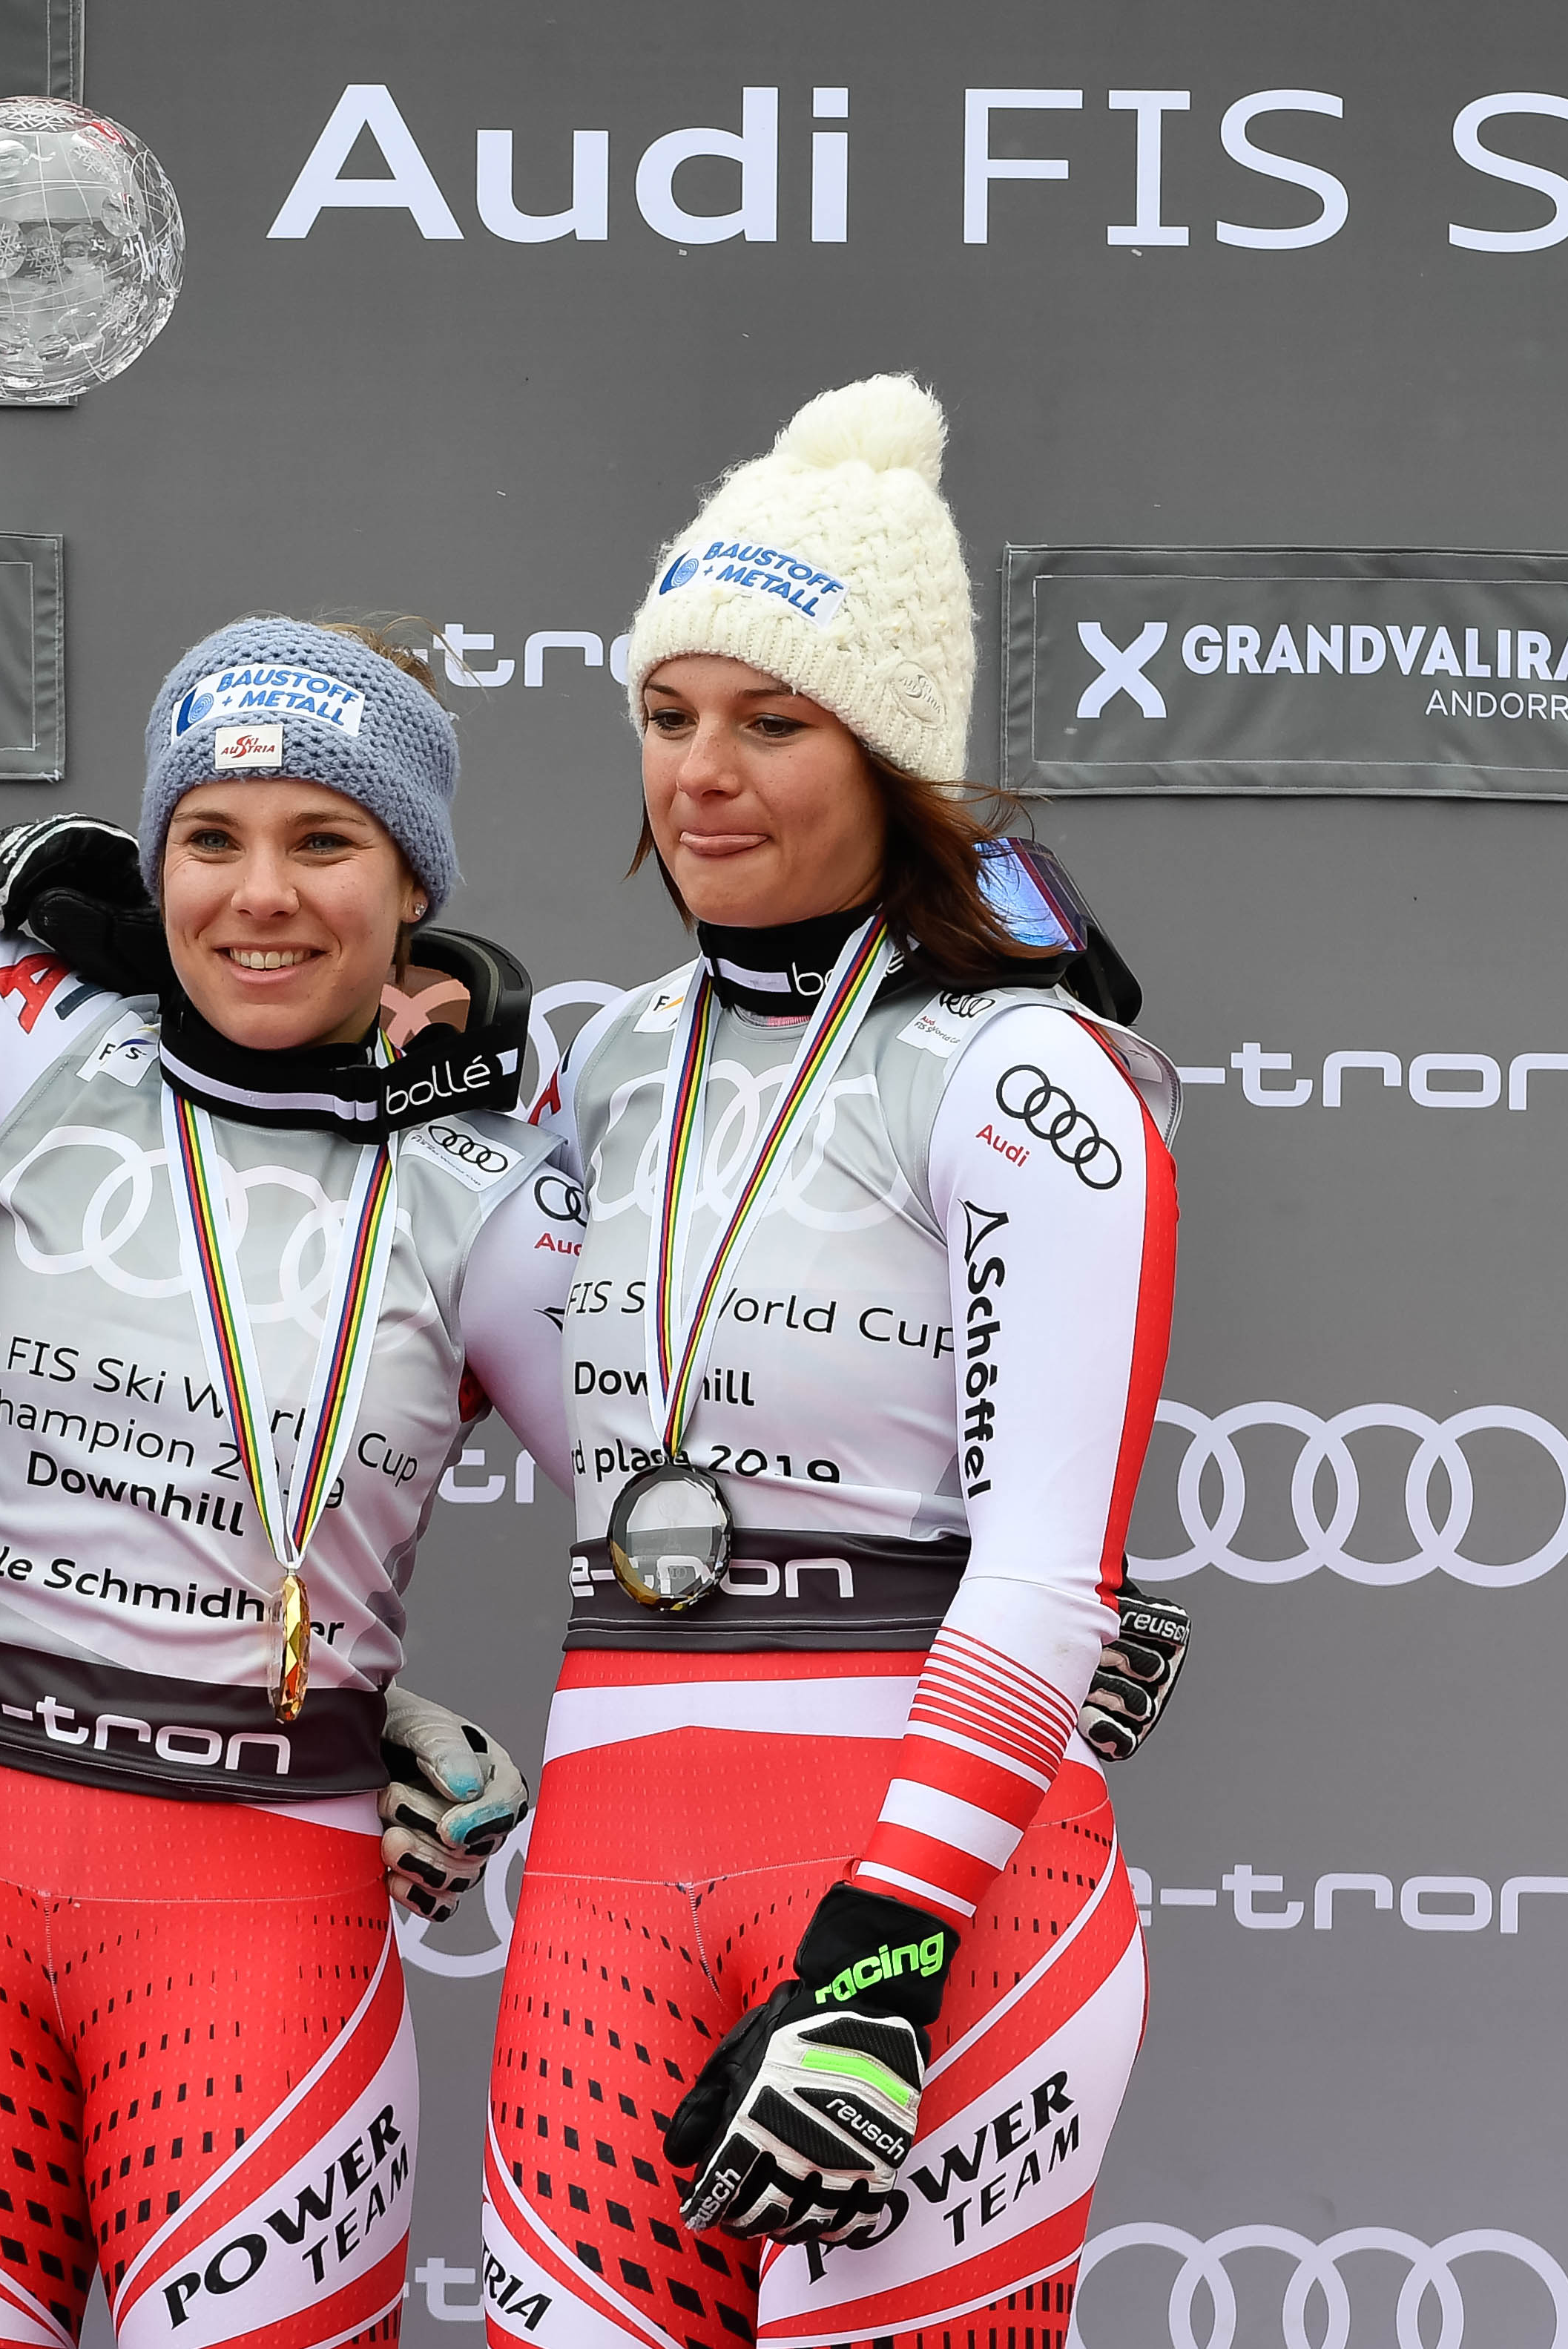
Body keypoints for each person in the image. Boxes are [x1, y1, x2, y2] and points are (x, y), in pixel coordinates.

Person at [0, 266, 576, 2349]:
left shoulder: (491, 1170)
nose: (258, 894)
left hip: (264, 1913)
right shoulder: (42, 1041)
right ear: (156, 855)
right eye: (210, 838)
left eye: (324, 843)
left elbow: (697, 1494)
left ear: (416, 889)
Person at [470, 375, 1185, 2347]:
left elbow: (1050, 1571)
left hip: (922, 1913)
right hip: (609, 1887)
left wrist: (876, 1971)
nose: (702, 774)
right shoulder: (607, 1057)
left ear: (892, 754)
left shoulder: (1024, 1070)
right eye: (669, 714)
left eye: (773, 723)